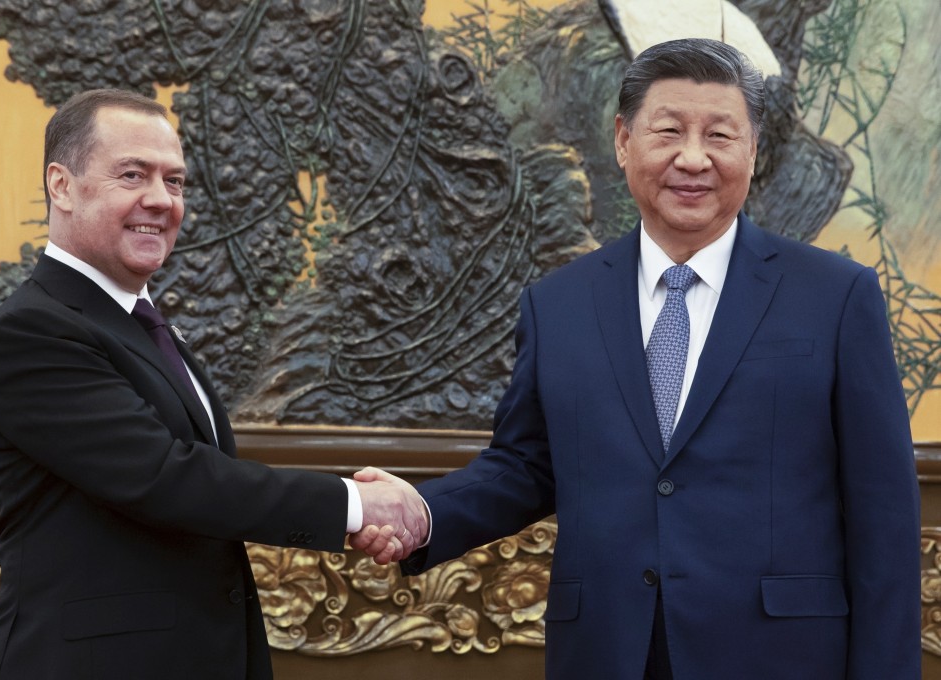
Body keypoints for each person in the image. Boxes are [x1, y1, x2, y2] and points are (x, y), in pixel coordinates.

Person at [357, 38, 922, 678]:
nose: (692, 158)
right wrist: (424, 511)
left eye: (720, 135)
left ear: (754, 149)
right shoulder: (558, 304)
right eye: (669, 131)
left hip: (778, 656)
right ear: (624, 141)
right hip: (609, 652)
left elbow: (885, 524)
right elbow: (527, 466)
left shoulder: (838, 296)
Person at [0, 88, 425, 680]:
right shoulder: (34, 331)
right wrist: (356, 505)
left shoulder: (141, 323)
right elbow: (167, 478)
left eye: (176, 181)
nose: (160, 200)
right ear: (61, 185)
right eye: (132, 175)